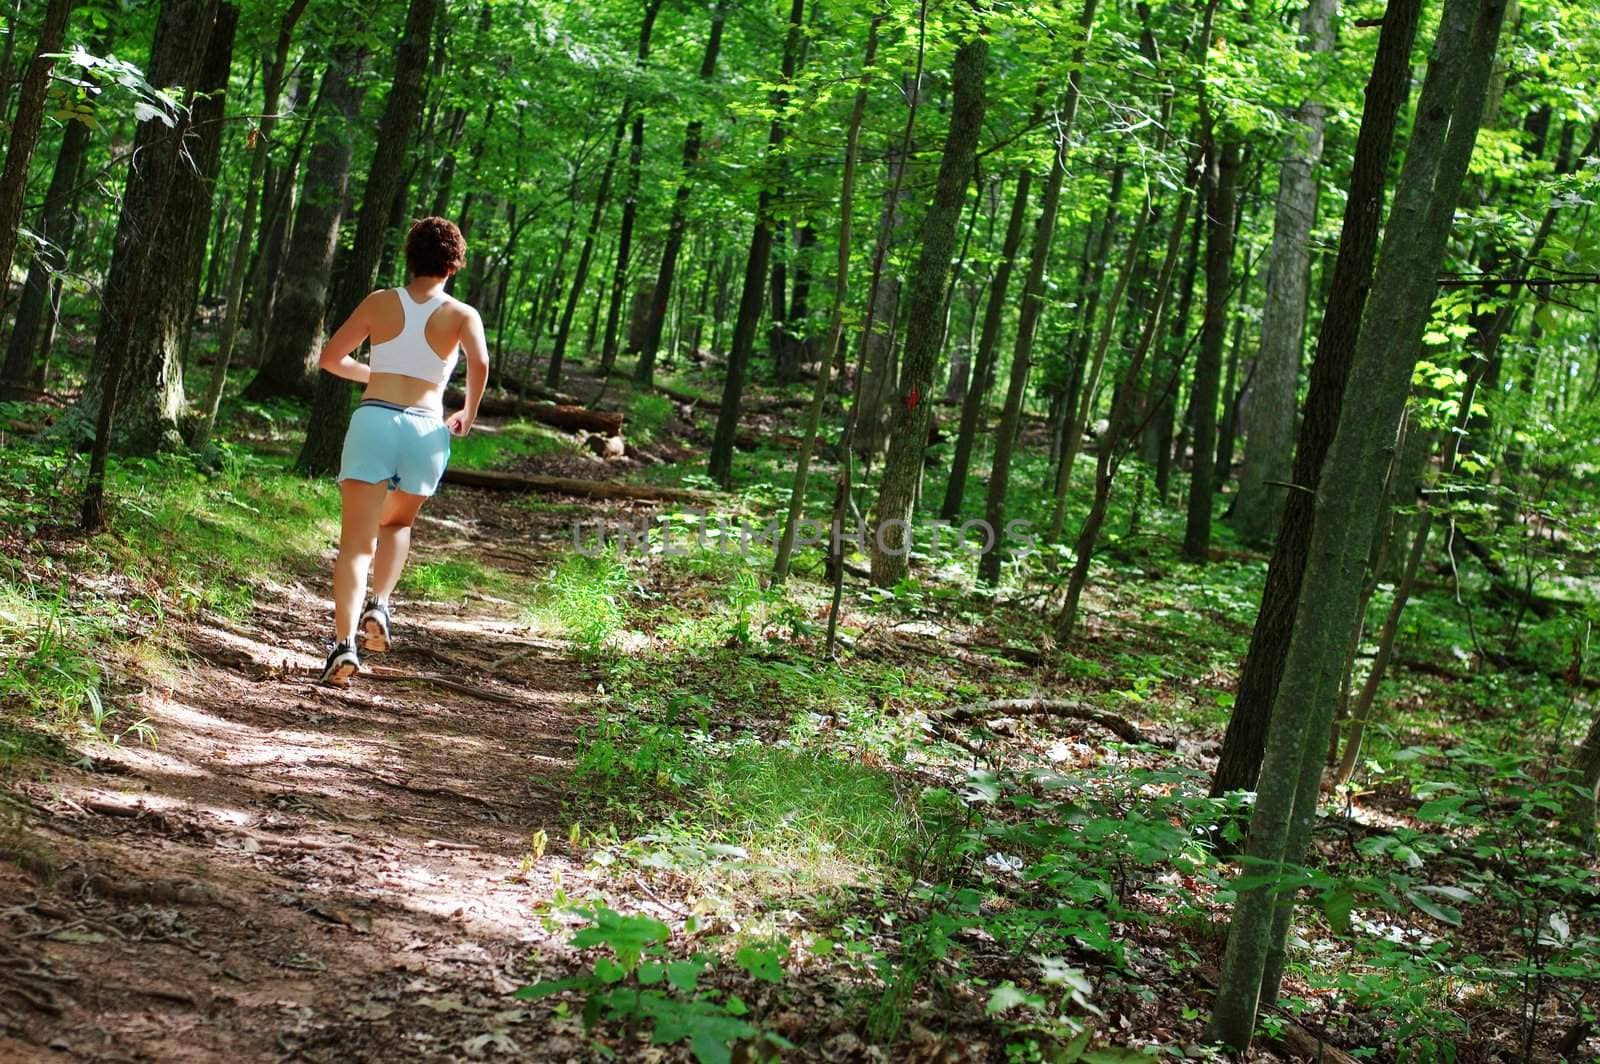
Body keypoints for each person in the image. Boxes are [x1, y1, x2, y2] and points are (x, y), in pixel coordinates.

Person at [313, 216, 488, 686]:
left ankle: (344, 646)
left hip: (374, 421)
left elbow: (330, 359)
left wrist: (378, 376)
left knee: (354, 545)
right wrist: (467, 414)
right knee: (397, 523)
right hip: (427, 429)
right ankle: (381, 605)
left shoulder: (379, 302)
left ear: (409, 258)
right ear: (454, 264)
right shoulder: (462, 314)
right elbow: (481, 363)